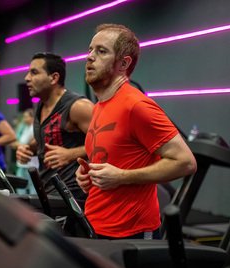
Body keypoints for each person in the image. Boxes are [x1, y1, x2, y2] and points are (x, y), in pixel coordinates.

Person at [76, 23, 197, 239]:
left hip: (131, 233)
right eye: (90, 50)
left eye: (101, 51)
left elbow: (185, 162)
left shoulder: (136, 106)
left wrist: (121, 176)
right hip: (96, 224)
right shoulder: (99, 107)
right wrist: (89, 177)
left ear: (123, 63)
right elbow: (114, 161)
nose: (90, 57)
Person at [16, 52, 94, 202]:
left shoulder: (78, 107)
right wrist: (28, 149)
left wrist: (71, 154)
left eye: (34, 72)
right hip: (49, 190)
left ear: (54, 78)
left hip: (75, 196)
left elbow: (107, 145)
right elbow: (47, 139)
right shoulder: (41, 105)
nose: (27, 78)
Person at [13, 108, 38, 195]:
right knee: (20, 188)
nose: (24, 119)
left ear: (32, 118)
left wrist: (19, 145)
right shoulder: (24, 127)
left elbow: (28, 145)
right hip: (21, 164)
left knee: (33, 188)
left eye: (26, 117)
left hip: (32, 164)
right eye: (24, 117)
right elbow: (14, 142)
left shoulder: (35, 128)